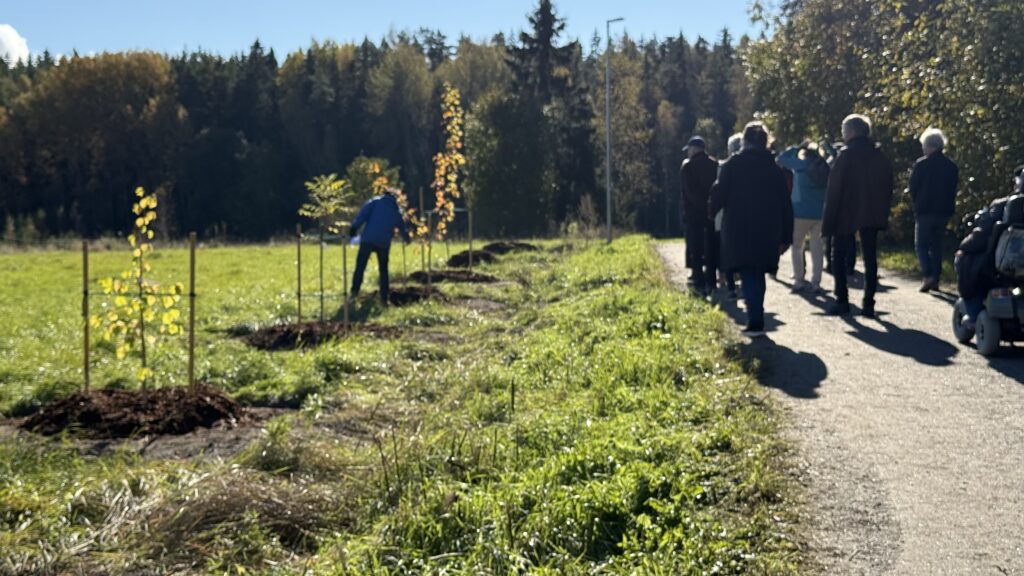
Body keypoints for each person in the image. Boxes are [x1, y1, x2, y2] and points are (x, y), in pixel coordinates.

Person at [710, 122, 794, 336]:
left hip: (739, 227)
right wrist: (786, 235)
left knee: (748, 271)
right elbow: (785, 203)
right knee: (757, 272)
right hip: (768, 228)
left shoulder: (732, 165)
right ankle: (757, 313)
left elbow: (719, 194)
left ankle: (755, 318)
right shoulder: (773, 168)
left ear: (745, 140)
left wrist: (711, 212)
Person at [822, 114, 895, 318]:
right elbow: (888, 185)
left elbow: (834, 189)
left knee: (839, 256)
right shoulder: (880, 157)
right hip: (872, 211)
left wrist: (829, 219)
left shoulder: (845, 156)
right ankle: (868, 303)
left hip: (846, 211)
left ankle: (842, 300)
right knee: (870, 257)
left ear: (852, 132)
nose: (843, 136)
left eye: (844, 131)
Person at [909, 127, 959, 293]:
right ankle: (936, 278)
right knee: (936, 244)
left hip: (925, 210)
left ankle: (928, 275)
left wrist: (916, 203)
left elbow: (913, 187)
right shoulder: (951, 166)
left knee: (921, 244)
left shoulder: (922, 164)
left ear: (930, 146)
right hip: (943, 211)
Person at [778, 141, 829, 293]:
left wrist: (795, 147)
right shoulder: (825, 167)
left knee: (797, 247)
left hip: (800, 212)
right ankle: (816, 282)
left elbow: (781, 159)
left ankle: (799, 280)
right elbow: (834, 156)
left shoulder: (800, 165)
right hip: (820, 213)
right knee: (817, 249)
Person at [349, 187, 410, 305]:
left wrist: (354, 228)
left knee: (360, 267)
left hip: (368, 239)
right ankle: (384, 298)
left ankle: (354, 293)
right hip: (383, 242)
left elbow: (362, 215)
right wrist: (406, 238)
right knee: (383, 270)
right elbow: (402, 227)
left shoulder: (374, 202)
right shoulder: (396, 209)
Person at [680, 136, 720, 295]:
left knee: (695, 249)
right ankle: (712, 280)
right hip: (711, 213)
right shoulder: (714, 164)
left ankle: (698, 281)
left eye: (689, 149)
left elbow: (687, 192)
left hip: (694, 214)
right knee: (711, 247)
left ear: (693, 149)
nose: (688, 153)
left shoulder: (687, 167)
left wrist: (696, 207)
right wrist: (711, 207)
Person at [712, 133, 744, 300]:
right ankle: (744, 284)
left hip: (725, 216)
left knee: (728, 252)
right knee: (745, 251)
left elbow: (717, 192)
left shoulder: (722, 167)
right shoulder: (749, 168)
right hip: (746, 217)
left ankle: (730, 286)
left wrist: (712, 211)